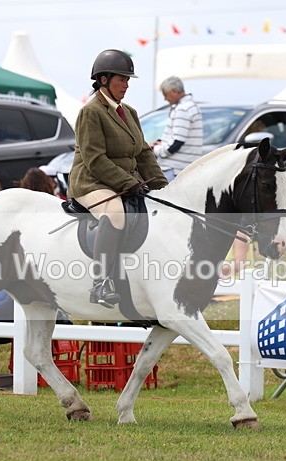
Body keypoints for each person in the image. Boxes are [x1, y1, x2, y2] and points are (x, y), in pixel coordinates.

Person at [69, 49, 168, 307]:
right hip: (92, 182)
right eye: (121, 79)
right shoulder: (90, 112)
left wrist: (162, 187)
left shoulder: (130, 112)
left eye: (127, 80)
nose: (126, 85)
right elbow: (95, 160)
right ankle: (101, 283)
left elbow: (143, 153)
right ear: (104, 80)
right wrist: (128, 183)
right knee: (115, 212)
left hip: (124, 181)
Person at [149, 76, 203, 180]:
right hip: (184, 168)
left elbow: (177, 143)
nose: (165, 99)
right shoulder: (191, 106)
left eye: (165, 94)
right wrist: (160, 142)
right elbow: (177, 137)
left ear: (174, 91)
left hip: (174, 170)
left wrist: (155, 149)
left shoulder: (183, 109)